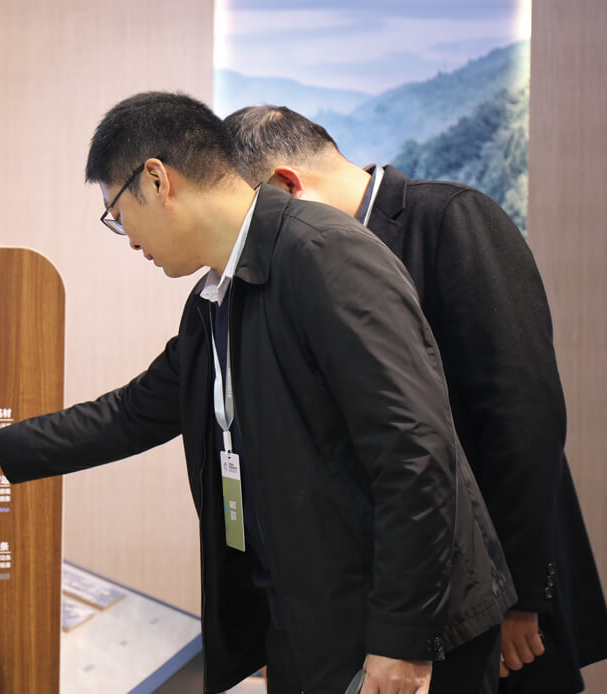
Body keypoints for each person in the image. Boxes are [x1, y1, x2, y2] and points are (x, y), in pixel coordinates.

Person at [0, 92, 513, 694]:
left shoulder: (325, 254)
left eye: (117, 214)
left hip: (396, 626)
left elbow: (415, 452)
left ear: (157, 179)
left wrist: (403, 641)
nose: (127, 238)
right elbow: (134, 412)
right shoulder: (216, 295)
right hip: (308, 614)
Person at [225, 105, 607, 691]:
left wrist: (519, 596)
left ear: (287, 185)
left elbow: (523, 419)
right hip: (382, 597)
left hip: (492, 592)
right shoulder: (300, 267)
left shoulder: (450, 219)